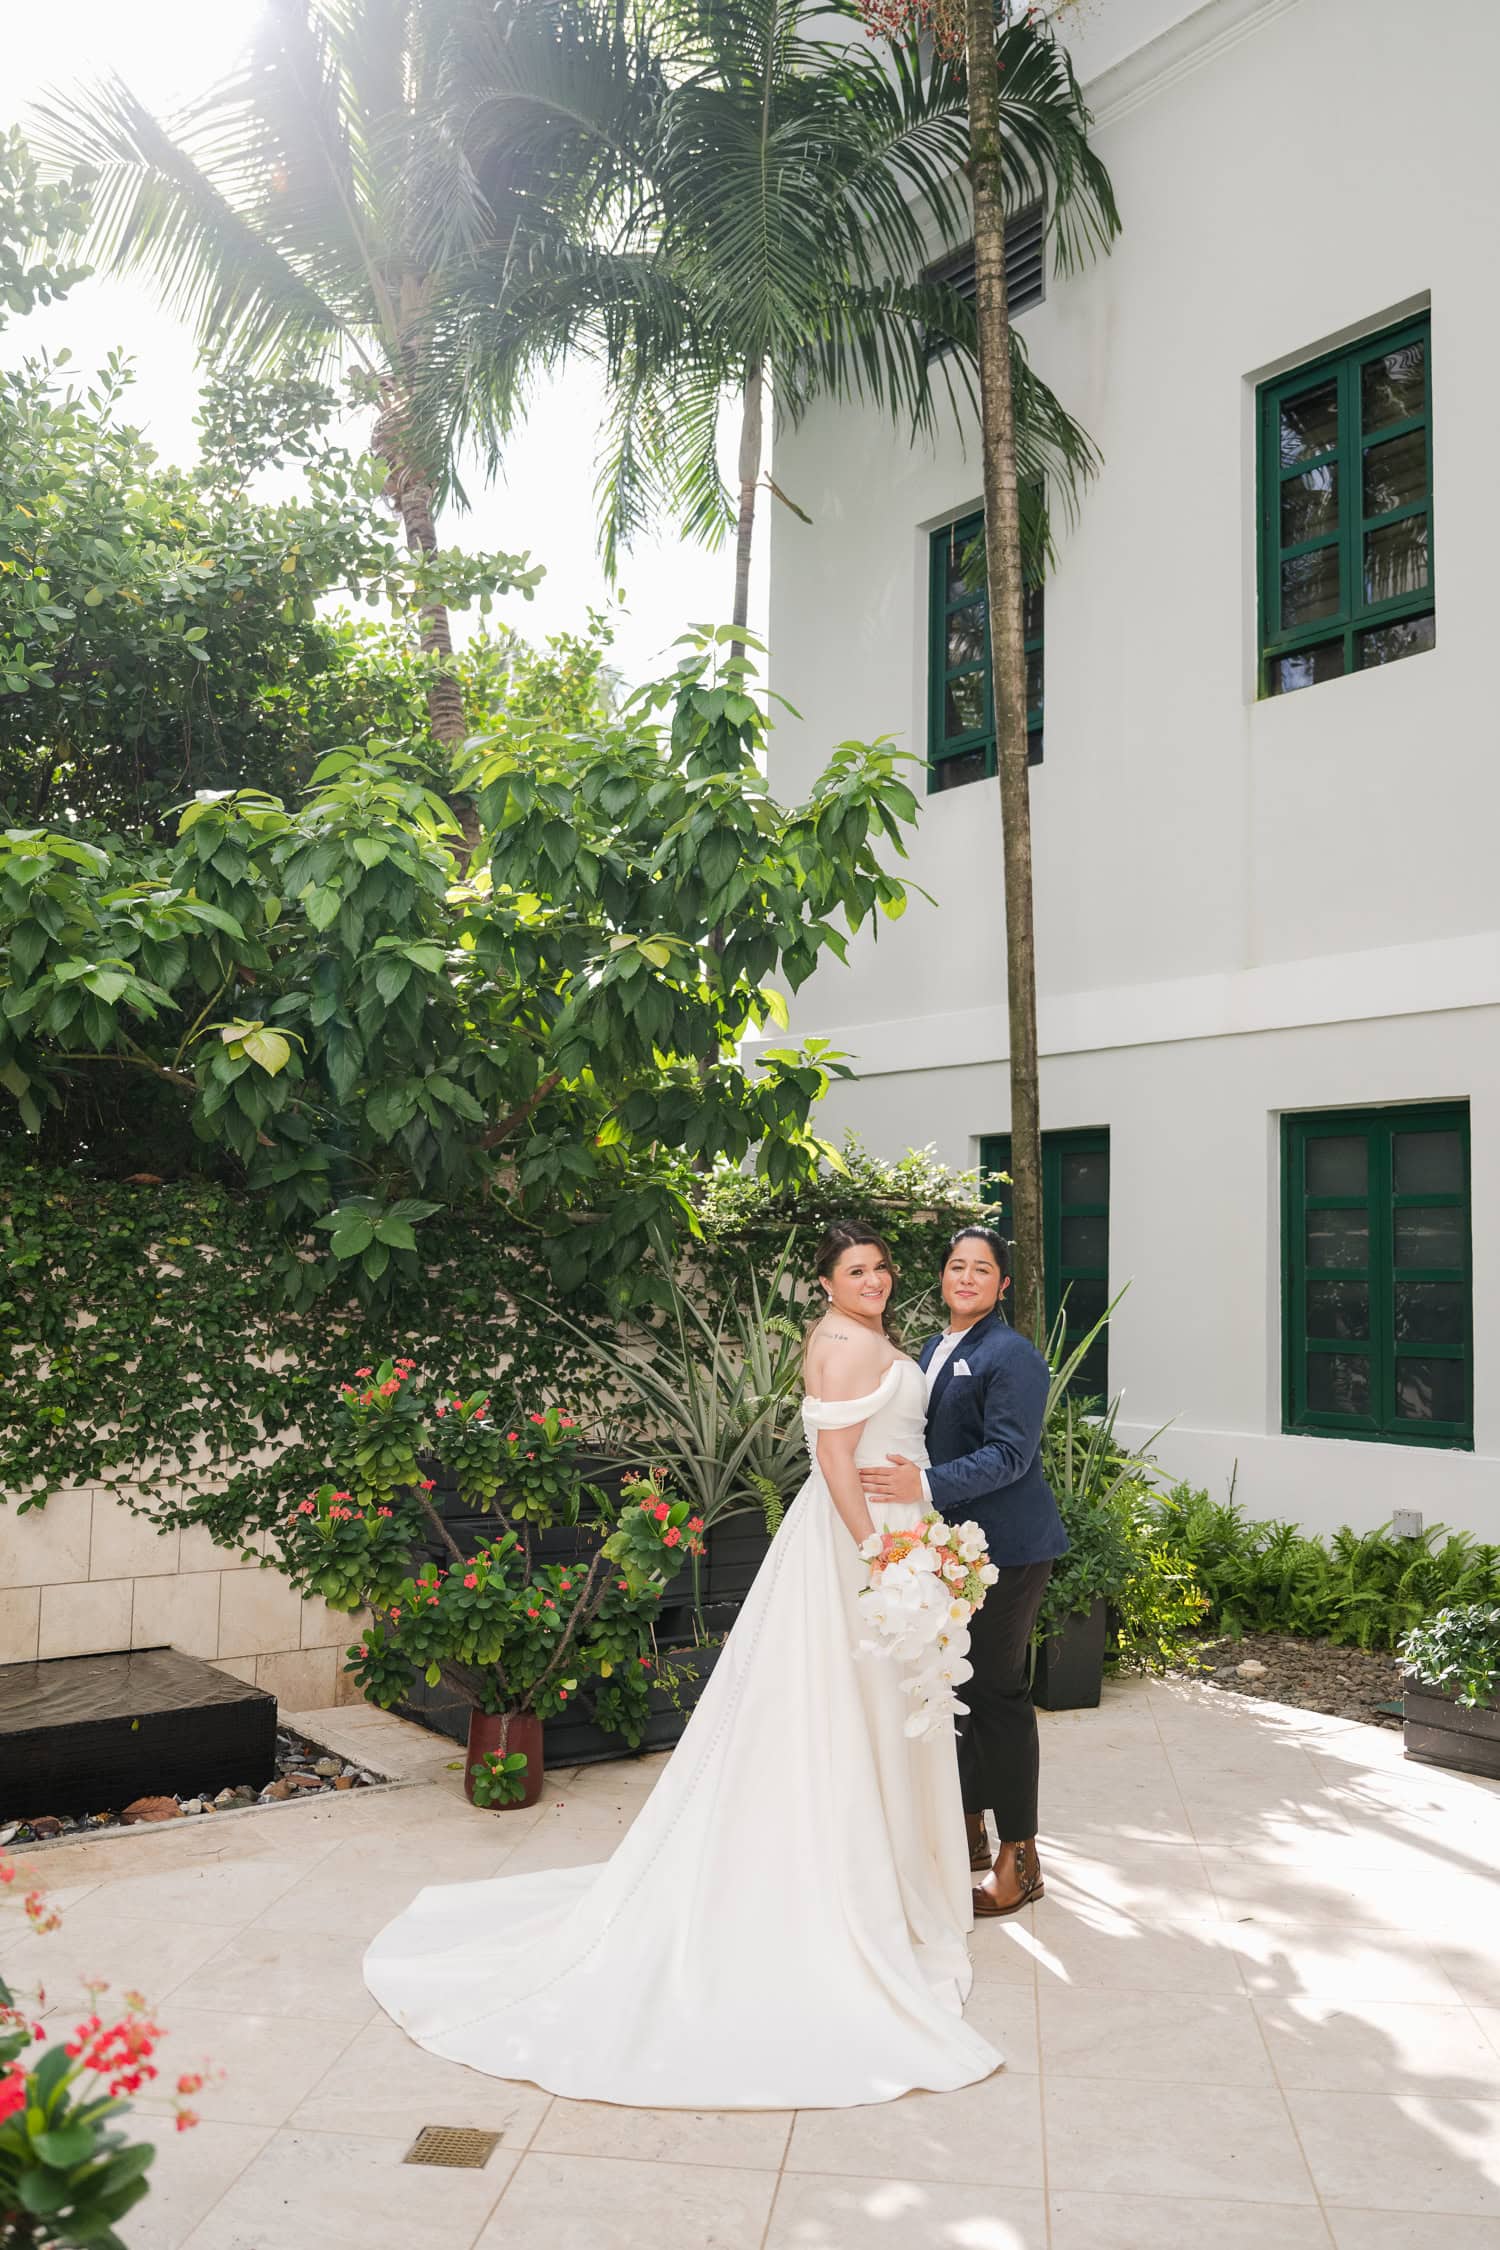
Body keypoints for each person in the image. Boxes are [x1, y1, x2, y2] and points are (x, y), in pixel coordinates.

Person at [362, 1221, 1002, 2109]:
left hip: (895, 1530)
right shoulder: (843, 1343)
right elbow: (831, 1459)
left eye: (883, 1268)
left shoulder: (877, 1337)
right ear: (825, 1285)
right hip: (859, 1541)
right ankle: (835, 1875)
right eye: (857, 1271)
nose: (876, 1281)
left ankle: (890, 1870)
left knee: (878, 1705)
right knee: (838, 1705)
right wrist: (878, 1555)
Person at [860, 1225, 1067, 1919]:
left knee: (1000, 1695)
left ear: (1003, 1286)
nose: (968, 1277)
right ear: (943, 1278)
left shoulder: (1013, 1355)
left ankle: (1022, 1858)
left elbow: (1010, 1454)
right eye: (957, 1266)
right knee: (963, 1688)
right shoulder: (935, 1345)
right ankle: (968, 1834)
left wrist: (921, 1485)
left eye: (983, 1269)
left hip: (1010, 1545)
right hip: (957, 1549)